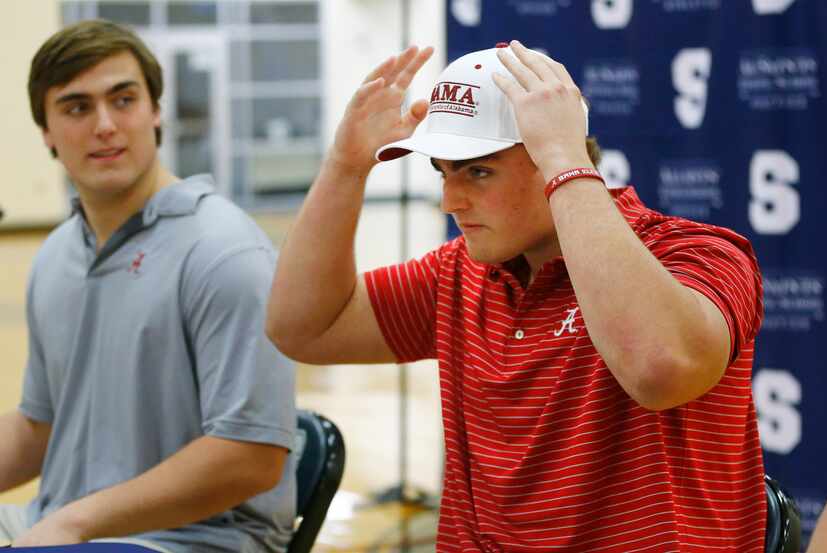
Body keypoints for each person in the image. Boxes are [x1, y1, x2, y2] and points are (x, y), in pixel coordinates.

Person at [267, 40, 767, 551]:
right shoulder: (460, 272)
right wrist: (345, 167)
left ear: (554, 156)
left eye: (478, 171)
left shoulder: (698, 252)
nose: (449, 200)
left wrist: (566, 160)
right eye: (443, 171)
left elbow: (662, 371)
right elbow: (304, 328)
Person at [0, 20, 296, 552]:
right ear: (45, 131)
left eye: (124, 99)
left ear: (155, 111)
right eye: (76, 107)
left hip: (195, 539)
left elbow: (250, 456)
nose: (106, 125)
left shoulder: (223, 251)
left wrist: (75, 523)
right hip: (66, 522)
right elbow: (39, 427)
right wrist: (68, 523)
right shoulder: (57, 254)